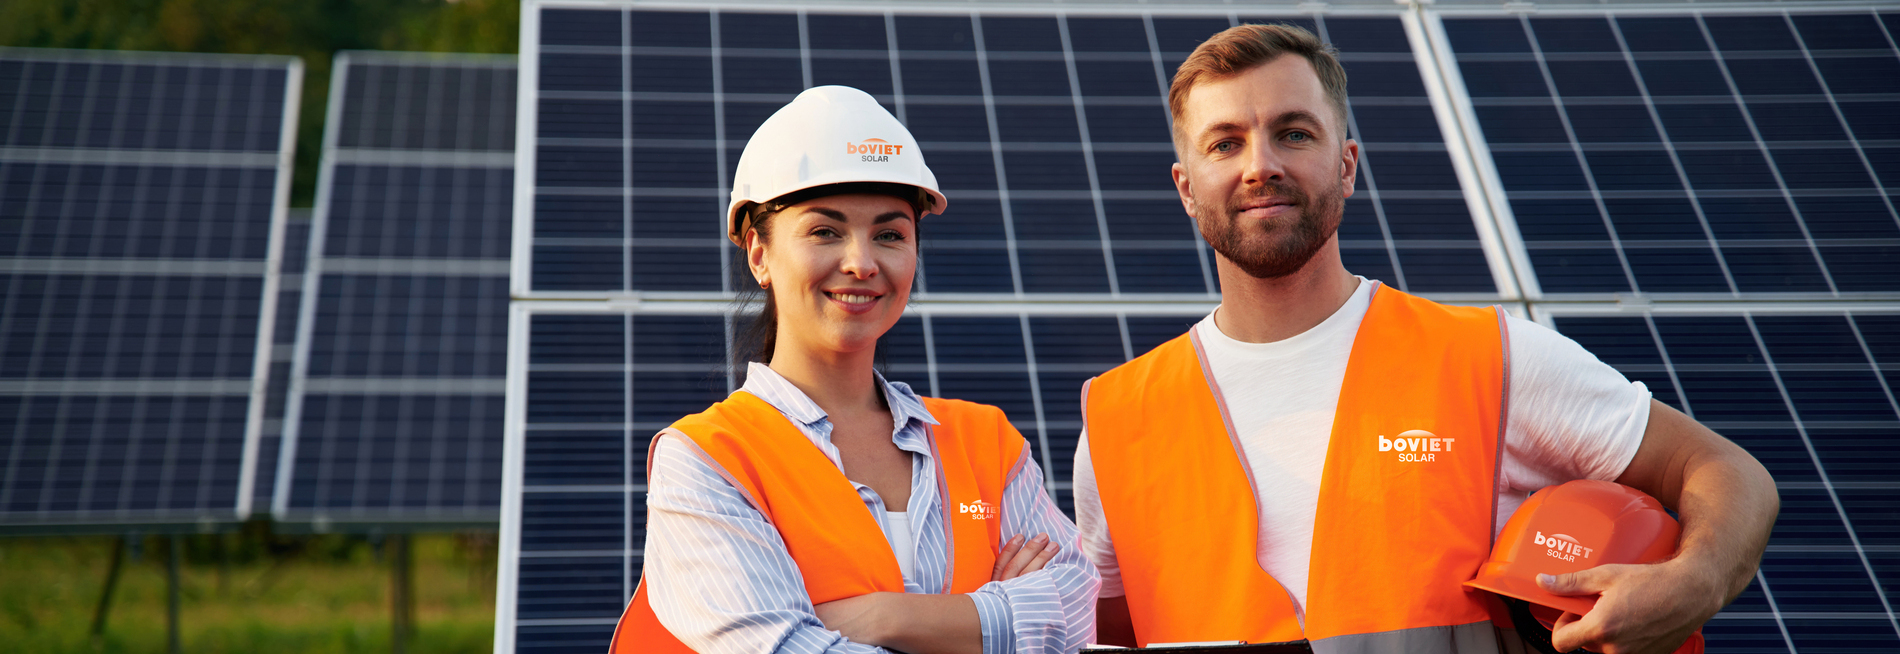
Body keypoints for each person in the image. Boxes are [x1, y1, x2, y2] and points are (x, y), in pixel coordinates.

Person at [1074, 24, 1777, 653]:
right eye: (1225, 143)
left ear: (1347, 165)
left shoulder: (1488, 357)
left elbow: (1725, 472)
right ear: (1186, 187)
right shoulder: (1116, 421)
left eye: (1294, 132)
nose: (1261, 165)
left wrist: (1697, 580)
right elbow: (1105, 633)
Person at [611, 85, 1100, 654]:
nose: (861, 263)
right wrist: (992, 620)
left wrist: (883, 618)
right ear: (759, 253)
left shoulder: (986, 445)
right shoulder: (706, 460)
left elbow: (1075, 615)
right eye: (825, 231)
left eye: (889, 235)